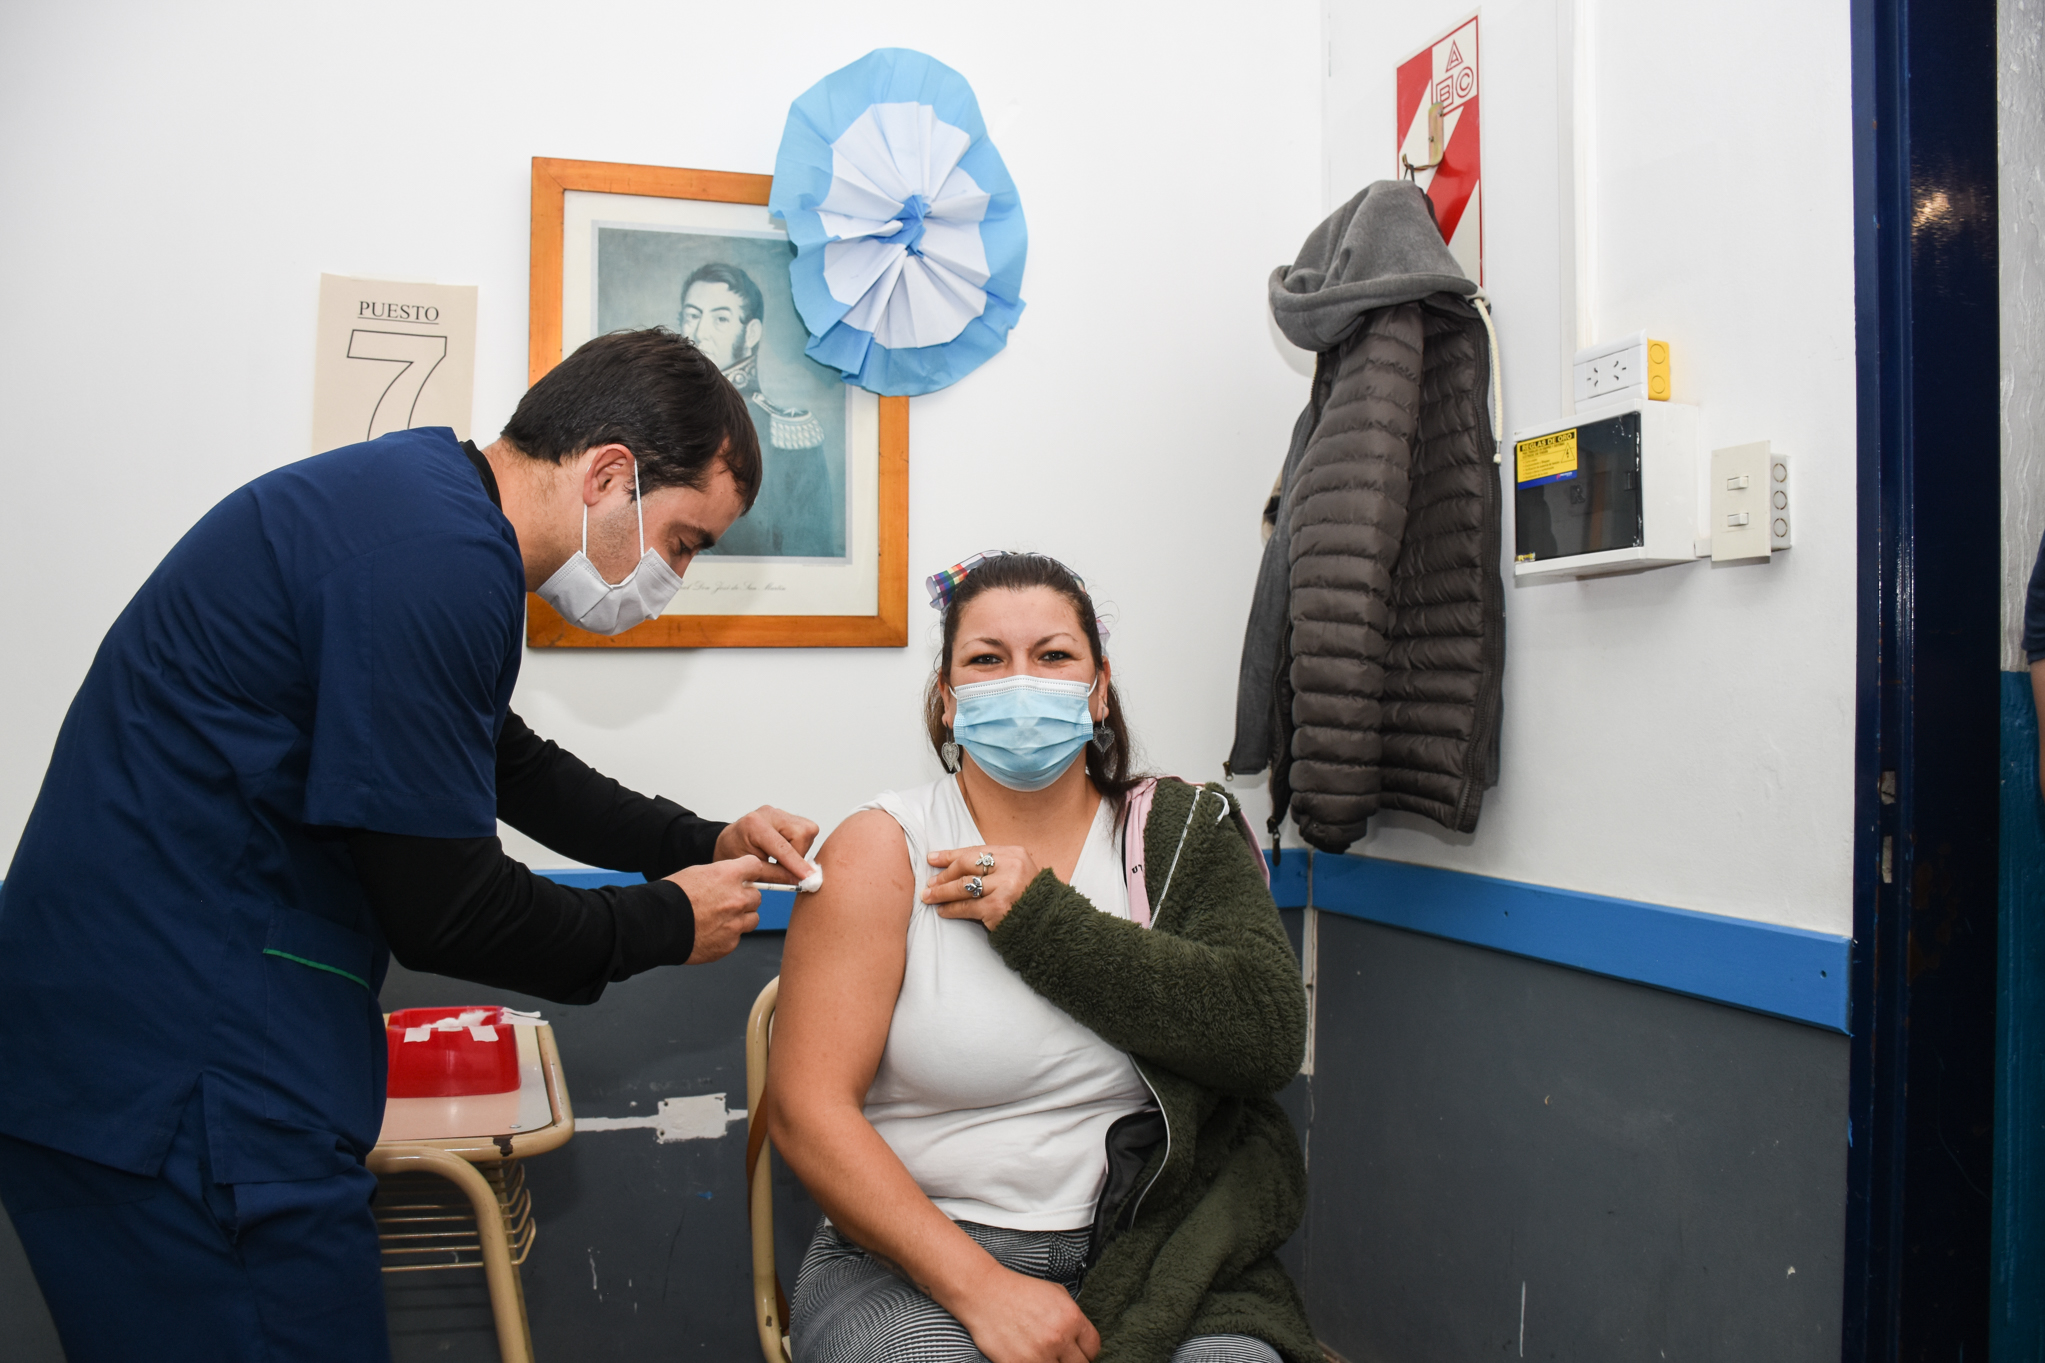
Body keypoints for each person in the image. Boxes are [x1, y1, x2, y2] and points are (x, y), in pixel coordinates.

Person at [0, 327, 821, 1363]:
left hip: (155, 1040)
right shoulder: (436, 558)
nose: (675, 575)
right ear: (609, 474)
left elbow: (502, 760)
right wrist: (669, 919)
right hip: (174, 1074)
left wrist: (699, 837)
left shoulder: (423, 507)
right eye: (685, 541)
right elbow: (452, 910)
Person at [767, 551, 1317, 1363]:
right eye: (986, 659)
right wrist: (981, 1289)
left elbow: (1265, 1036)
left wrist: (1041, 918)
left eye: (1054, 655)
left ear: (1098, 688)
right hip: (913, 1255)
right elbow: (806, 1111)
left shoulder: (1175, 833)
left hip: (1154, 1246)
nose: (1021, 681)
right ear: (948, 701)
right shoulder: (882, 848)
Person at [677, 261, 838, 557]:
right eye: (692, 316)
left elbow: (809, 558)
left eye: (721, 319)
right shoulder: (656, 424)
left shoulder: (789, 432)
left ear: (750, 334)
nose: (700, 333)